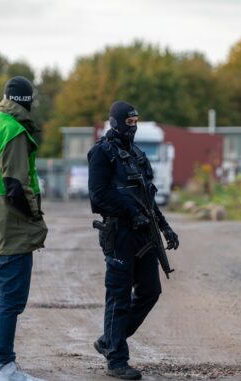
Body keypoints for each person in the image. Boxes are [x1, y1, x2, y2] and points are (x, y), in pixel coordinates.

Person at [87, 101, 180, 380]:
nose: (134, 127)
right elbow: (98, 196)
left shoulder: (137, 154)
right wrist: (130, 211)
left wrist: (165, 227)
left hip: (144, 234)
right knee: (119, 296)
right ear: (115, 122)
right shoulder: (102, 153)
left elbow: (148, 198)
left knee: (150, 291)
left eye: (136, 121)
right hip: (120, 234)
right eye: (128, 122)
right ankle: (117, 359)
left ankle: (109, 340)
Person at [0, 76, 48, 381]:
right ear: (27, 102)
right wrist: (35, 219)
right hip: (10, 226)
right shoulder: (14, 131)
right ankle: (6, 367)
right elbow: (15, 186)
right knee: (10, 300)